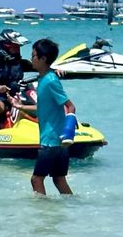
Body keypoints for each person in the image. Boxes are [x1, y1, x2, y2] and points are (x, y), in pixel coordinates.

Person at [8, 38, 75, 196]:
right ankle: (74, 207)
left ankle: (43, 213)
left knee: (36, 179)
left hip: (51, 141)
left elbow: (70, 106)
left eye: (33, 56)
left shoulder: (50, 81)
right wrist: (20, 106)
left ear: (43, 59)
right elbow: (43, 108)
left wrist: (69, 132)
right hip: (57, 141)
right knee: (59, 179)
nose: (31, 59)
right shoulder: (44, 79)